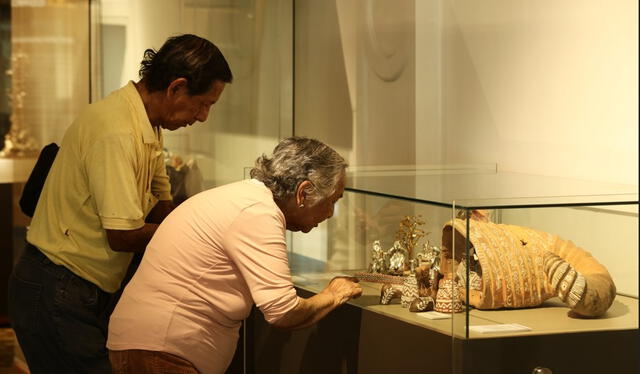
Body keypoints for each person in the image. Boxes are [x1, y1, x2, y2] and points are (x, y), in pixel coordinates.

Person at [7, 34, 233, 373]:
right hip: (57, 286)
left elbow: (161, 206)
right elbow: (123, 234)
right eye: (203, 104)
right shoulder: (117, 131)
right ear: (176, 88)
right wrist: (199, 237)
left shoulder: (149, 125)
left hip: (80, 289)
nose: (202, 117)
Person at [107, 136, 363, 374]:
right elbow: (283, 312)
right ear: (303, 192)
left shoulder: (244, 198)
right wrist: (334, 294)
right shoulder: (257, 212)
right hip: (161, 350)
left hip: (151, 347)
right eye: (333, 200)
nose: (330, 213)